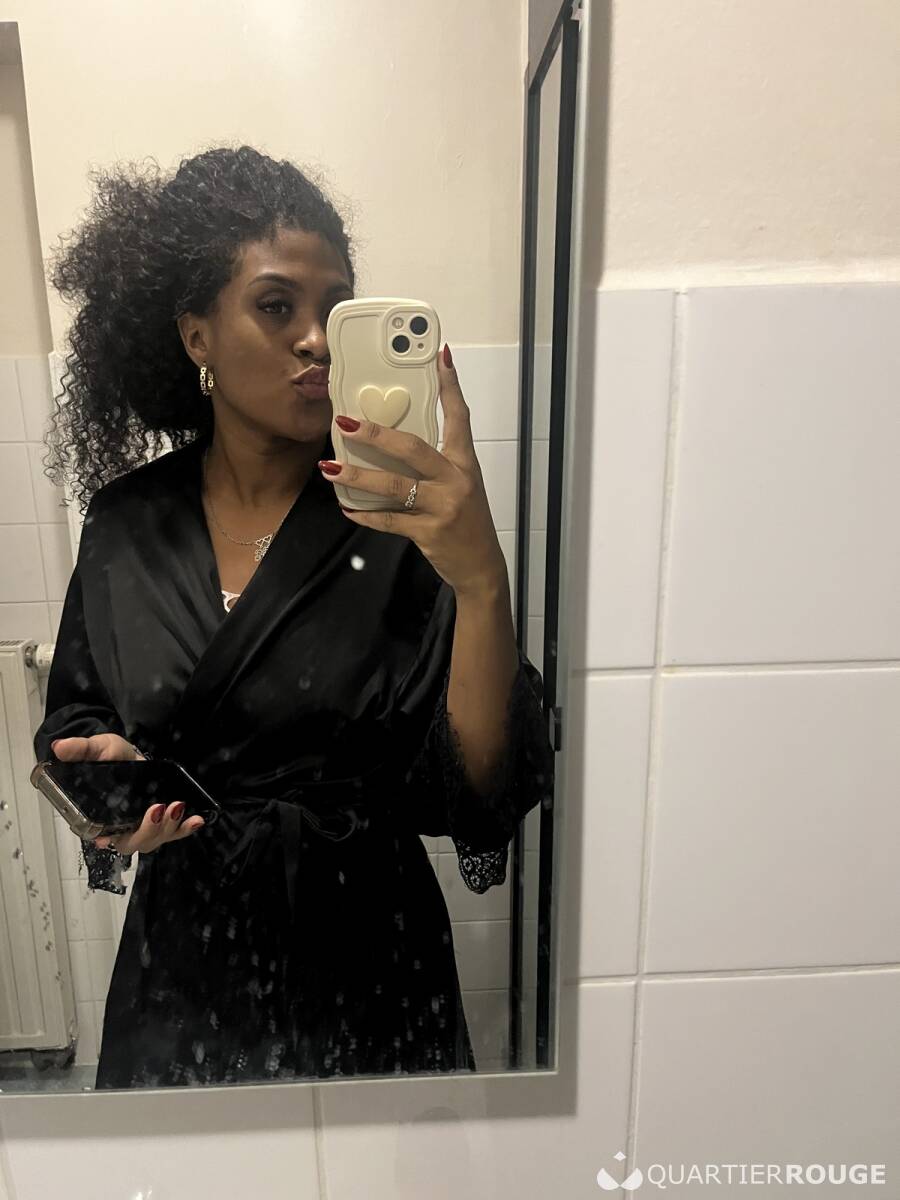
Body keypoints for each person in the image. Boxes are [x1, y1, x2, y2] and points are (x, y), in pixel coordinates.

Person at [33, 145, 554, 1088]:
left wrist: (482, 580)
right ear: (197, 335)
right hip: (188, 959)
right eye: (276, 307)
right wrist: (109, 780)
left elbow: (478, 785)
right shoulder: (126, 524)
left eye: (335, 308)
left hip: (369, 952)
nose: (316, 340)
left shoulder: (399, 521)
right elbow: (78, 713)